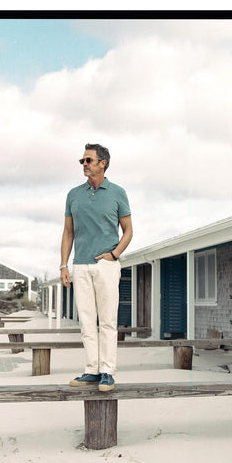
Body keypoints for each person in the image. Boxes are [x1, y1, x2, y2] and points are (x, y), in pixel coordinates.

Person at [60, 144, 133, 391]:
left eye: (88, 160)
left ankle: (107, 372)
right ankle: (91, 370)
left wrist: (114, 254)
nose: (84, 164)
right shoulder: (73, 195)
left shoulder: (117, 193)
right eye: (82, 161)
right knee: (87, 322)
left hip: (106, 266)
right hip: (80, 265)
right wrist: (63, 265)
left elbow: (128, 231)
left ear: (103, 163)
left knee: (108, 321)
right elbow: (68, 233)